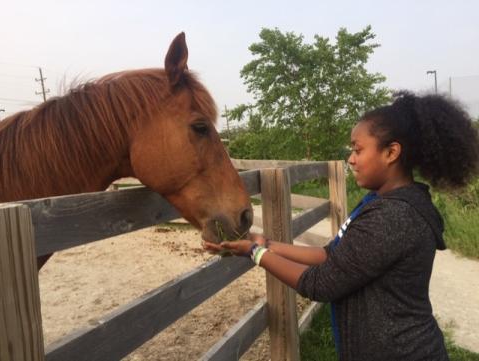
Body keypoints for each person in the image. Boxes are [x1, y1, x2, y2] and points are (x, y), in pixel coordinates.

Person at [203, 91, 479, 361]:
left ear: (391, 153)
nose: (351, 159)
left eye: (358, 149)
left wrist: (255, 252)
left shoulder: (394, 217)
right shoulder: (378, 201)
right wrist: (264, 242)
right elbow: (331, 254)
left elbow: (320, 284)